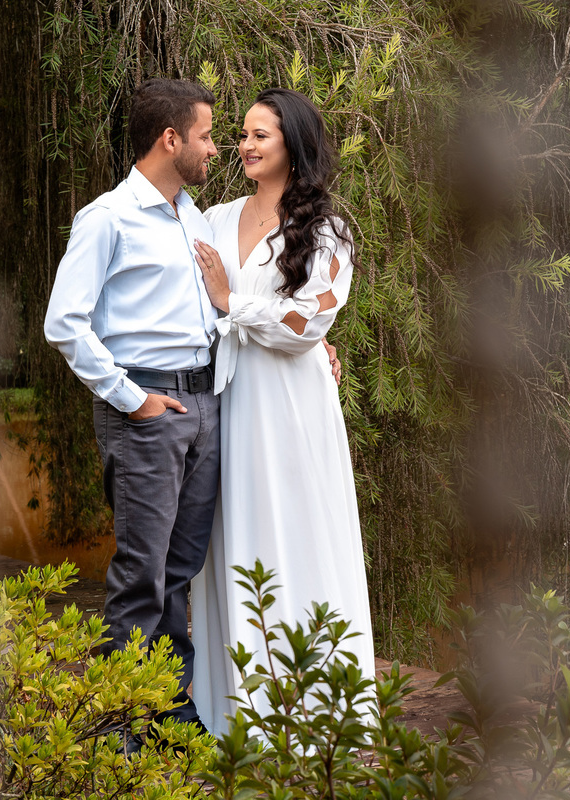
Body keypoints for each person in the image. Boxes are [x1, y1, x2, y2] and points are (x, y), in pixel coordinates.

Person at [189, 88, 375, 737]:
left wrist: (231, 301)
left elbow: (308, 322)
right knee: (234, 538)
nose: (244, 145)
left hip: (293, 407)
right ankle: (235, 714)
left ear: (291, 145)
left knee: (297, 532)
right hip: (231, 401)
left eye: (259, 135)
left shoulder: (327, 231)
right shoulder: (213, 218)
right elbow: (184, 300)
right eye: (241, 134)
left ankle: (315, 713)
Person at [43, 78, 221, 741]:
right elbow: (64, 323)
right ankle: (122, 721)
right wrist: (132, 397)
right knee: (142, 571)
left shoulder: (192, 215)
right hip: (147, 404)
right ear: (170, 139)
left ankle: (169, 708)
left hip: (203, 401)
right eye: (205, 134)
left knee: (178, 568)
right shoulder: (107, 219)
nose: (214, 147)